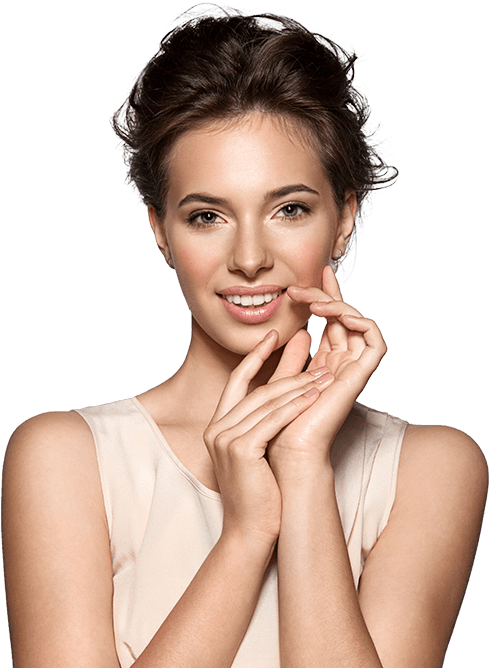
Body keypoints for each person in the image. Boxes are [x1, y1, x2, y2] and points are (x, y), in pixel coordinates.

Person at [2, 3, 487, 667]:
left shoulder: (428, 468)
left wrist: (302, 468)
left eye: (290, 209)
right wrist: (246, 533)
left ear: (343, 217)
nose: (250, 257)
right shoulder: (67, 459)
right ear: (159, 230)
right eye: (207, 216)